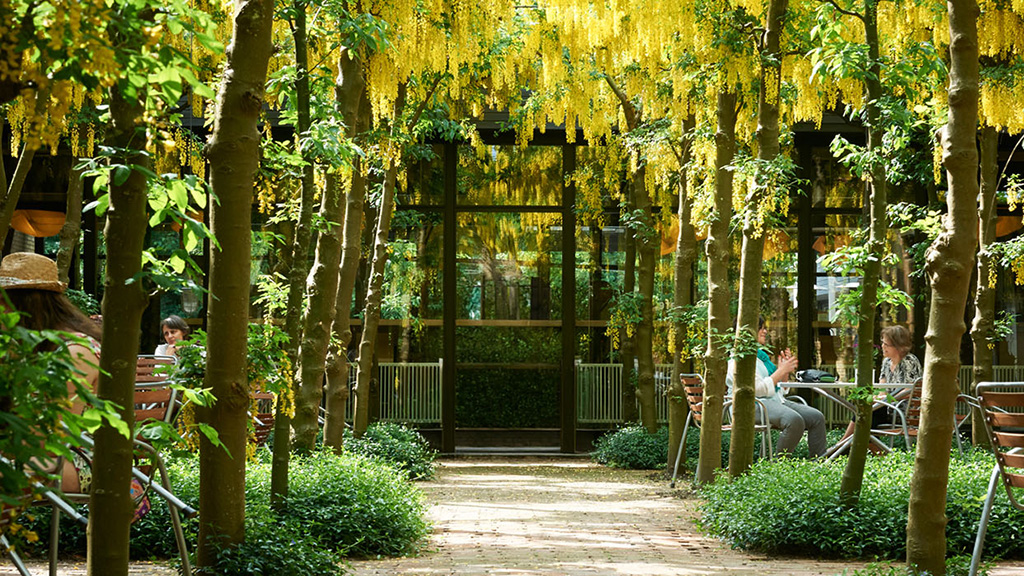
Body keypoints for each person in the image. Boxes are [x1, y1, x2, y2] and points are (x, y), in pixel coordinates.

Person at [0, 252, 100, 492]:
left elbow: (53, 434)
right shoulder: (36, 346)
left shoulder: (75, 352)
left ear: (23, 305)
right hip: (40, 456)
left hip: (82, 462)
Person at [727, 317, 827, 458]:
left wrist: (784, 371)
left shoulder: (761, 358)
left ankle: (819, 464)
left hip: (774, 401)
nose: (765, 332)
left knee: (816, 417)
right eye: (762, 328)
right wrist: (780, 371)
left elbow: (778, 387)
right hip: (750, 405)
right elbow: (757, 389)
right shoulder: (739, 359)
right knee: (793, 420)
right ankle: (780, 467)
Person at [839, 325, 922, 451]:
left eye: (886, 344)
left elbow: (910, 391)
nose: (882, 346)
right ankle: (851, 446)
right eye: (882, 343)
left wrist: (886, 399)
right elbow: (881, 388)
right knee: (865, 412)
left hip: (905, 409)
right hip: (888, 407)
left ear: (898, 345)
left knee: (867, 414)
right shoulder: (886, 362)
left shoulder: (909, 361)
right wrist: (878, 397)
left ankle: (843, 445)